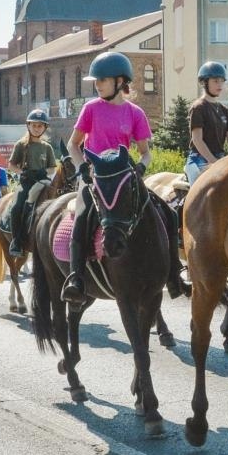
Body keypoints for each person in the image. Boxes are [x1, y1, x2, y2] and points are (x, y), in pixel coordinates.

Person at [61, 51, 151, 302]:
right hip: (94, 176)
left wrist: (141, 169)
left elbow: (145, 154)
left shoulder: (135, 113)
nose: (97, 85)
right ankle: (76, 279)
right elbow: (73, 145)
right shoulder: (91, 109)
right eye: (96, 81)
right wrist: (81, 169)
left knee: (159, 209)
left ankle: (172, 272)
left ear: (120, 82)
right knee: (82, 217)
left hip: (123, 177)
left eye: (101, 80)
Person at [6, 110, 57, 257]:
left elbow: (53, 168)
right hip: (26, 182)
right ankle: (16, 241)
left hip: (42, 181)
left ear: (45, 128)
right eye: (34, 125)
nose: (37, 128)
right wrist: (23, 172)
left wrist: (43, 172)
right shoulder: (21, 145)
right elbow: (11, 166)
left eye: (40, 126)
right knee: (16, 207)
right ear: (28, 126)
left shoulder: (47, 147)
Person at [186, 61, 228, 183]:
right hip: (199, 161)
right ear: (204, 82)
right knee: (199, 198)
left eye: (222, 81)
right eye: (215, 81)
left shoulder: (224, 110)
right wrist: (214, 162)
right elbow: (197, 140)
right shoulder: (198, 107)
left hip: (220, 159)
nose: (220, 84)